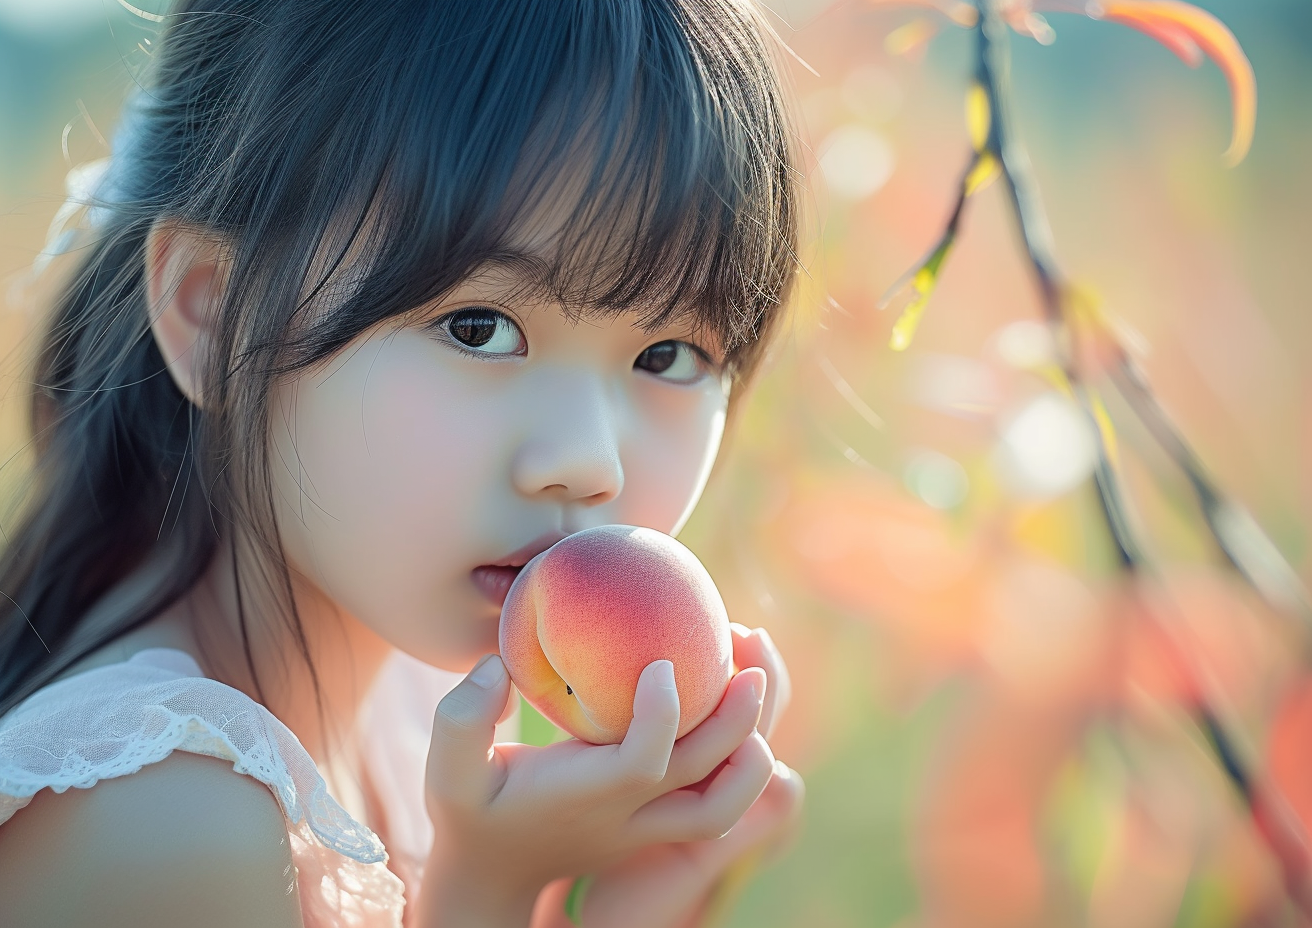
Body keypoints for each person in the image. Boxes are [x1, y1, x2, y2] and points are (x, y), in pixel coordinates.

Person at [0, 0, 804, 925]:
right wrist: (487, 890)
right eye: (479, 328)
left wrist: (630, 899)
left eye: (669, 355)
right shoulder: (165, 822)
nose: (587, 464)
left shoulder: (414, 705)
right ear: (213, 314)